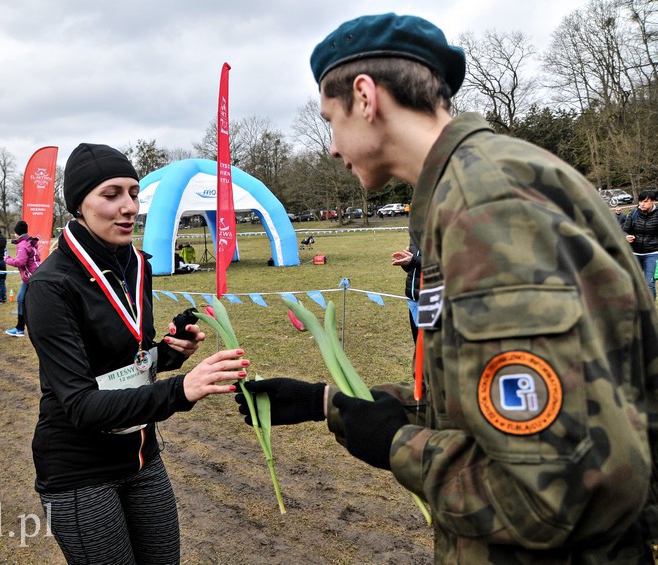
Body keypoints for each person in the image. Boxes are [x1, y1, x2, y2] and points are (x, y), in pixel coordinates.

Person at [235, 13, 658, 562]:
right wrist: (329, 403)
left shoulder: (485, 208)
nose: (333, 148)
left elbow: (553, 491)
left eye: (329, 120)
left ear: (365, 97)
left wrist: (396, 446)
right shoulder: (478, 184)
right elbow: (496, 408)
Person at [23, 142, 247, 564]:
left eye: (133, 192)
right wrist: (182, 390)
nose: (129, 207)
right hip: (79, 470)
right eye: (111, 195)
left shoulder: (137, 265)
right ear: (78, 205)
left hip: (141, 456)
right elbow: (83, 405)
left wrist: (167, 352)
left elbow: (123, 363)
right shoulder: (50, 287)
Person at [3, 220, 40, 336]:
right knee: (22, 300)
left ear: (17, 233)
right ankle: (20, 328)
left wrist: (7, 259)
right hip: (35, 275)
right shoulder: (29, 242)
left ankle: (21, 329)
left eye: (14, 233)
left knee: (22, 300)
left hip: (31, 277)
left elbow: (20, 261)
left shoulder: (23, 244)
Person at [623, 189, 658, 299]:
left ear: (653, 201)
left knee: (649, 283)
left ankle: (650, 310)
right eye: (640, 201)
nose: (642, 204)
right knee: (632, 282)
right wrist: (626, 237)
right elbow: (624, 230)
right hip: (635, 253)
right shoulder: (633, 213)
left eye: (645, 201)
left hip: (652, 254)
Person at [391, 240, 420, 343]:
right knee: (417, 343)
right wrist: (405, 263)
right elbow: (413, 269)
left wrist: (414, 260)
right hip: (413, 299)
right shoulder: (415, 237)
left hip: (430, 300)